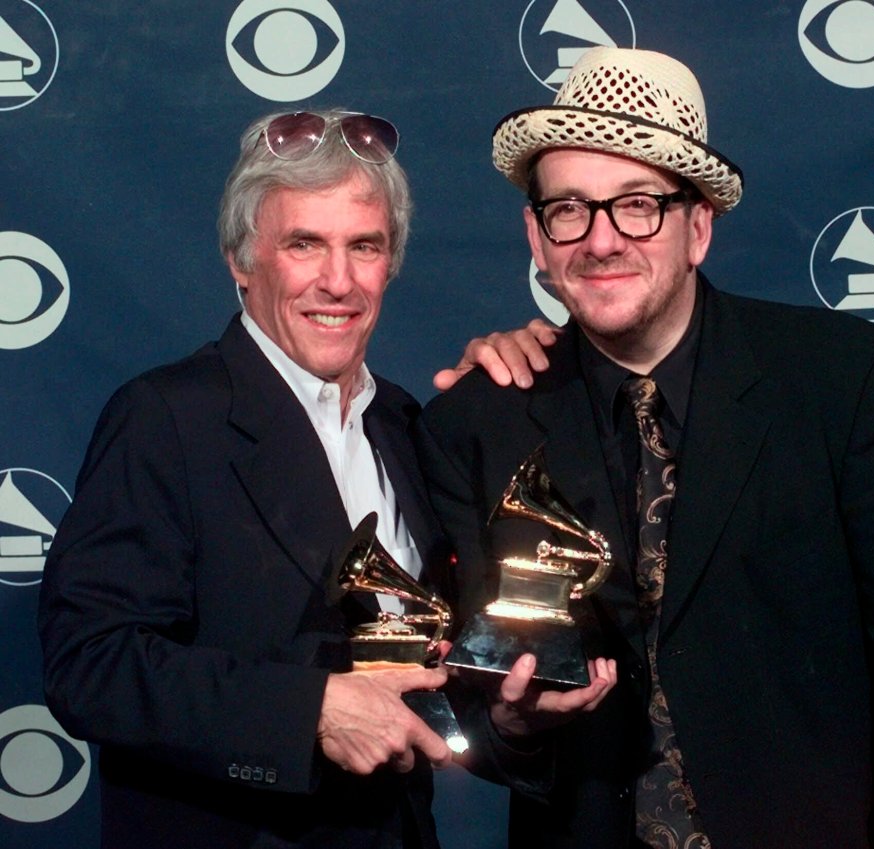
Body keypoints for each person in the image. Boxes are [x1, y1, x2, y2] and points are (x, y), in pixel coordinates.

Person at [414, 47, 874, 849]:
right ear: (537, 238)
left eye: (638, 204)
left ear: (698, 227)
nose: (601, 240)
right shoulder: (477, 422)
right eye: (570, 210)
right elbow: (474, 706)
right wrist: (511, 724)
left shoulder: (844, 382)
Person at [37, 107, 544, 849]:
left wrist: (508, 713)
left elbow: (432, 662)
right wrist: (311, 711)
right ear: (243, 260)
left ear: (390, 260)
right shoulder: (167, 417)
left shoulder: (404, 424)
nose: (338, 281)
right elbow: (91, 663)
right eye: (304, 244)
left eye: (363, 246)